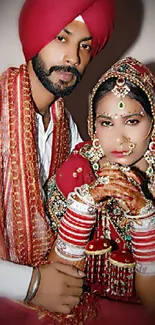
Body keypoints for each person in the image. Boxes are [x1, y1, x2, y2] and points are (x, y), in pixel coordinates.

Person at [0, 0, 115, 319]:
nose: (72, 57)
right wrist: (31, 284)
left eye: (85, 46)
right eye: (61, 38)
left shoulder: (66, 126)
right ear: (35, 37)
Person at [46, 57, 155, 324]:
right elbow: (60, 281)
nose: (118, 139)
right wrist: (83, 206)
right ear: (93, 125)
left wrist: (144, 217)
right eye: (106, 123)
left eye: (131, 121)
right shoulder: (76, 174)